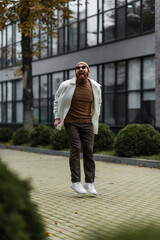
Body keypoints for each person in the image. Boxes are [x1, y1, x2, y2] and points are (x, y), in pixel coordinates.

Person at [54, 61, 102, 195]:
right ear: (75, 71)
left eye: (83, 67)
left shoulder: (95, 86)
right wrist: (57, 117)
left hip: (87, 123)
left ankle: (89, 183)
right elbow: (57, 99)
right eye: (78, 68)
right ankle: (75, 182)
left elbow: (98, 103)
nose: (81, 69)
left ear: (88, 70)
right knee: (75, 149)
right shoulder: (66, 85)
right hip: (71, 122)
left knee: (89, 151)